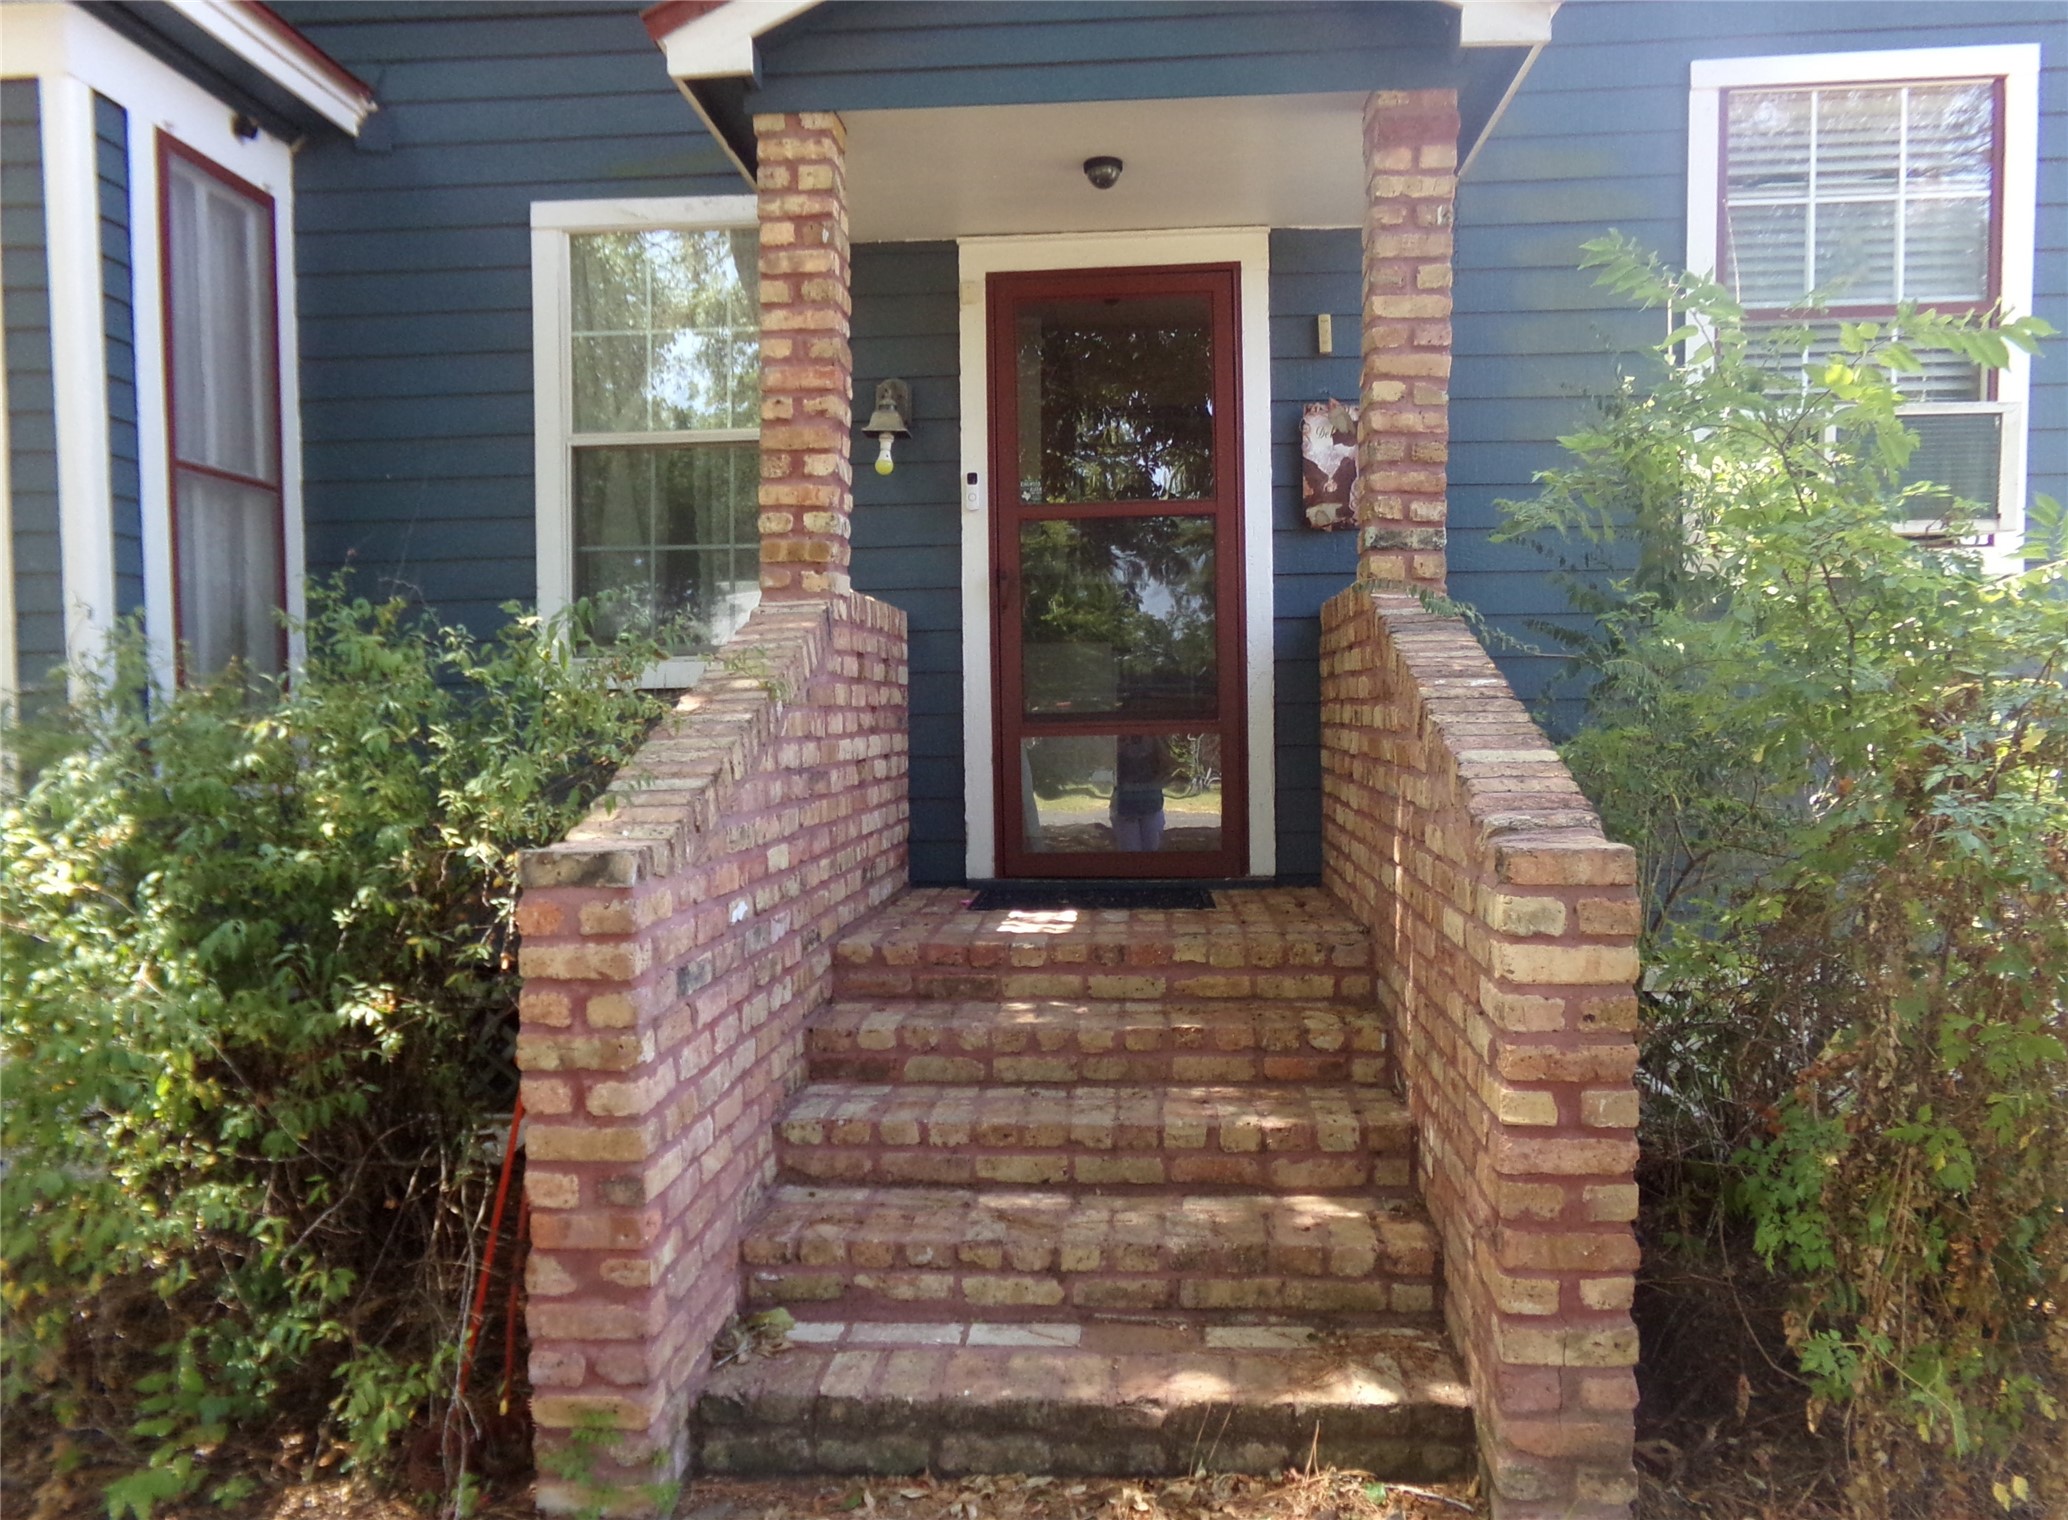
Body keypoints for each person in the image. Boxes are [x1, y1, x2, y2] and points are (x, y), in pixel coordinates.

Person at [1109, 735, 1171, 852]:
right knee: (1130, 850)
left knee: (1152, 849)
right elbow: (1108, 766)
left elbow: (1166, 766)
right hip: (1125, 807)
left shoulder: (1156, 741)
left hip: (1151, 805)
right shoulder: (1117, 742)